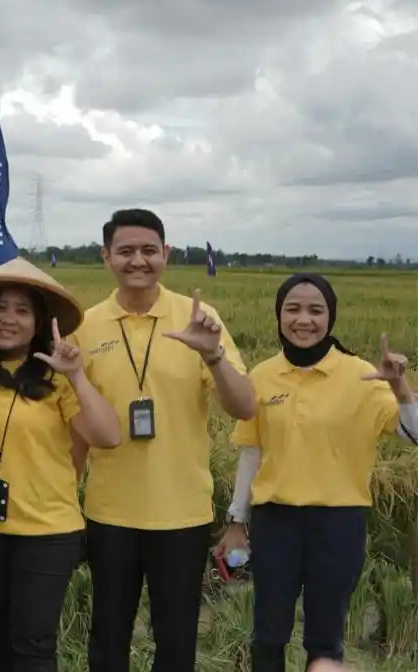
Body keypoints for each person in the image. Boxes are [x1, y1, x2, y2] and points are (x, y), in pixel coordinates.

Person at [69, 208, 256, 672]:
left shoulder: (198, 319)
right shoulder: (86, 325)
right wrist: (67, 505)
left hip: (182, 512)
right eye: (126, 250)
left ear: (166, 254)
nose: (139, 260)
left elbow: (244, 406)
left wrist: (213, 357)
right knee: (108, 637)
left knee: (176, 642)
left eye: (149, 250)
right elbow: (74, 426)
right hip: (109, 511)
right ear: (106, 256)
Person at [216, 274, 418, 672]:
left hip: (338, 523)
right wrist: (237, 521)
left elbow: (414, 433)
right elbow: (252, 453)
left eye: (315, 310)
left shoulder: (361, 375)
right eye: (293, 309)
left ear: (331, 317)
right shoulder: (262, 375)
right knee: (268, 634)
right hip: (276, 521)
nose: (303, 319)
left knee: (325, 638)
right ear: (278, 315)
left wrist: (402, 388)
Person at [0, 258, 122, 672]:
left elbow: (108, 436)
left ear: (39, 321)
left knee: (34, 643)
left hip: (48, 532)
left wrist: (76, 375)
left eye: (22, 310)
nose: (8, 319)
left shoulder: (58, 378)